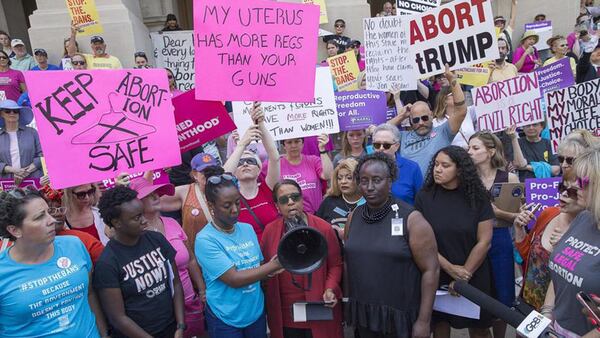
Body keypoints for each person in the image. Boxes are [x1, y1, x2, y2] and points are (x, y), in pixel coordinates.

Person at [344, 152, 439, 338]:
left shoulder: (412, 219)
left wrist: (423, 321)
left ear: (390, 181)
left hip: (400, 316)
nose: (370, 187)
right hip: (365, 314)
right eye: (364, 181)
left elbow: (431, 270)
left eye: (377, 180)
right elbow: (349, 262)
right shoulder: (353, 216)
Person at [0, 188, 108, 337]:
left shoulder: (75, 245)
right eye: (39, 217)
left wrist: (104, 334)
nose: (52, 220)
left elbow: (89, 293)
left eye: (48, 212)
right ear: (14, 230)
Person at [415, 146, 495, 337]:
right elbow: (421, 243)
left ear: (459, 169)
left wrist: (463, 275)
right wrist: (450, 269)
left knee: (480, 330)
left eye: (445, 165)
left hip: (473, 272)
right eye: (436, 164)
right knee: (440, 326)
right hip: (437, 272)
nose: (438, 169)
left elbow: (484, 241)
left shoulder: (478, 197)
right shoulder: (424, 197)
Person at [195, 174, 283, 337]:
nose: (235, 210)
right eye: (227, 205)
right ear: (211, 205)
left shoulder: (247, 229)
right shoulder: (205, 240)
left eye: (237, 202)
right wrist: (274, 265)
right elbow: (233, 279)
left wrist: (269, 269)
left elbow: (259, 266)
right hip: (225, 319)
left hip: (255, 313)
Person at [94, 186, 186, 337]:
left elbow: (175, 283)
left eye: (142, 214)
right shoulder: (107, 263)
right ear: (116, 222)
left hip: (172, 329)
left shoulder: (157, 240)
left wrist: (180, 326)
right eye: (137, 218)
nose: (144, 221)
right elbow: (118, 318)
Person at [261, 179, 344, 338]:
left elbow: (335, 264)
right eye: (284, 200)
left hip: (318, 305)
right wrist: (270, 271)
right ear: (277, 206)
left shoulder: (323, 228)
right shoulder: (270, 231)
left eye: (295, 197)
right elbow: (265, 269)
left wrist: (330, 288)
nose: (291, 203)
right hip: (285, 313)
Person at [129, 177, 206, 338]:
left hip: (190, 303)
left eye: (156, 192)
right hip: (161, 313)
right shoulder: (135, 235)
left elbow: (190, 260)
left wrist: (202, 290)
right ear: (135, 204)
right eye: (148, 195)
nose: (156, 196)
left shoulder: (172, 222)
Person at [543, 147, 600, 337]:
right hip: (557, 328)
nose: (575, 186)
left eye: (583, 181)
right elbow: (561, 270)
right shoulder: (584, 217)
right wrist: (547, 314)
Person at [468, 131, 519, 338]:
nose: (469, 152)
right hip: (474, 241)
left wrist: (498, 213)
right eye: (469, 148)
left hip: (500, 240)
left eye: (475, 148)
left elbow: (519, 216)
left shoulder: (509, 177)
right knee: (476, 294)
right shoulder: (466, 180)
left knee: (503, 295)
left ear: (490, 151)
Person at [513, 175, 585, 311]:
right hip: (528, 302)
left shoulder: (590, 233)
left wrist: (568, 248)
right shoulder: (549, 213)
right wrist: (518, 228)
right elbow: (529, 257)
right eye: (562, 187)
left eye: (572, 192)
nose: (563, 194)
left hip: (559, 314)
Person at [388, 65, 468, 176]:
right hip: (409, 190)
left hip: (433, 189)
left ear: (431, 115)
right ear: (410, 120)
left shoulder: (443, 132)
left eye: (424, 118)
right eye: (415, 120)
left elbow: (461, 111)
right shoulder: (403, 136)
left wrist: (452, 80)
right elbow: (380, 133)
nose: (421, 122)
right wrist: (401, 116)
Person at [223, 103, 279, 241]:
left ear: (260, 169)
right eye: (240, 162)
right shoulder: (229, 195)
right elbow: (223, 176)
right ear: (234, 172)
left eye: (251, 161)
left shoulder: (268, 188)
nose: (246, 164)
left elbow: (275, 157)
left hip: (274, 250)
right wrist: (242, 144)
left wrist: (261, 125)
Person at [160, 152, 224, 250]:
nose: (209, 173)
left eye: (212, 169)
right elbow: (153, 201)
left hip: (226, 248)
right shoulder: (185, 192)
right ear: (194, 174)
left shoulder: (226, 187)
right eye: (204, 171)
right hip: (198, 253)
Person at [39, 184, 105, 264]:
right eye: (81, 194)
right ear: (69, 195)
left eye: (90, 191)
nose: (87, 197)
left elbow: (106, 259)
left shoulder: (101, 213)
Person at [280, 135, 333, 214]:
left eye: (297, 141)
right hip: (290, 216)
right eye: (289, 142)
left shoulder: (313, 160)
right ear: (284, 145)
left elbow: (328, 175)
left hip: (316, 215)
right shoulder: (277, 164)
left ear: (303, 143)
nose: (293, 145)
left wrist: (322, 150)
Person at [372, 123, 422, 205]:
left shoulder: (412, 168)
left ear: (397, 146)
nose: (381, 148)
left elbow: (421, 201)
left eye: (386, 145)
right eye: (377, 145)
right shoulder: (365, 167)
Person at [316, 158, 364, 238]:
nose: (343, 181)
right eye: (340, 178)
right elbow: (317, 229)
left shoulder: (369, 202)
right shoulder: (328, 202)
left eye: (349, 178)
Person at [0, 100, 43, 182]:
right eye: (7, 111)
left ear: (19, 114)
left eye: (16, 111)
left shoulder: (32, 132)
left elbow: (42, 154)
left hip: (34, 178)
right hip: (7, 181)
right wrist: (12, 170)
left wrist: (28, 170)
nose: (12, 113)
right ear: (1, 114)